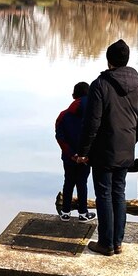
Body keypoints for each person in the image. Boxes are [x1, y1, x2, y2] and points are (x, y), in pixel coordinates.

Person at [74, 39, 138, 256]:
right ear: (126, 60)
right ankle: (118, 242)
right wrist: (129, 141)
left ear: (109, 61)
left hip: (103, 152)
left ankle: (106, 243)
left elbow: (92, 123)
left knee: (104, 195)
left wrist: (83, 152)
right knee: (119, 193)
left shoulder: (100, 85)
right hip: (125, 150)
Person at [55, 82, 96, 223]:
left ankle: (65, 212)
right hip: (86, 158)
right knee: (82, 183)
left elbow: (59, 137)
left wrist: (72, 155)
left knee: (68, 182)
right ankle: (83, 213)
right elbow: (96, 136)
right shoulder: (94, 116)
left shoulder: (63, 115)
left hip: (69, 158)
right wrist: (86, 155)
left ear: (74, 95)